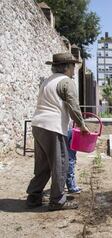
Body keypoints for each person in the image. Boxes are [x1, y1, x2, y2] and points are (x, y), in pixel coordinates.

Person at [26, 52, 90, 211]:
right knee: (60, 163)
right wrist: (82, 126)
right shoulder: (66, 82)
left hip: (38, 125)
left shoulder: (47, 81)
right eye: (73, 66)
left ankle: (33, 197)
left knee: (43, 165)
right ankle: (57, 201)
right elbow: (73, 106)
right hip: (52, 127)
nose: (74, 70)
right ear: (67, 67)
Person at [66, 127, 81, 194]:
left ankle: (73, 186)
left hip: (69, 154)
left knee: (70, 172)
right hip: (69, 156)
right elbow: (72, 145)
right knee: (70, 172)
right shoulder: (72, 132)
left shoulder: (71, 131)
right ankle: (71, 188)